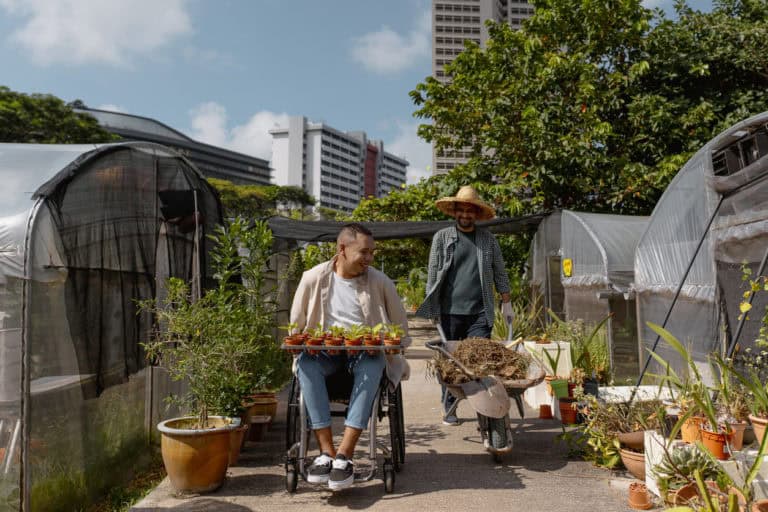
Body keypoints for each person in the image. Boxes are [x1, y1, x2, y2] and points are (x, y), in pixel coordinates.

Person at [290, 223, 410, 491]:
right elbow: (295, 326)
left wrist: (393, 346)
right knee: (306, 363)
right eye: (364, 252)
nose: (369, 259)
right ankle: (325, 453)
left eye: (372, 253)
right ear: (342, 249)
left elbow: (401, 329)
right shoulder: (313, 278)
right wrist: (303, 343)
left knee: (374, 362)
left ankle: (344, 455)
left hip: (364, 355)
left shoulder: (380, 282)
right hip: (325, 355)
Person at [416, 185, 513, 426]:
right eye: (462, 210)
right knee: (451, 364)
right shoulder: (442, 238)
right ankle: (450, 406)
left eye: (471, 211)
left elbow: (499, 271)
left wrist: (506, 301)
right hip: (449, 313)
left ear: (476, 214)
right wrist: (433, 307)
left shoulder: (487, 240)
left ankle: (485, 410)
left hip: (480, 312)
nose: (466, 215)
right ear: (455, 211)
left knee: (480, 362)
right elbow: (433, 274)